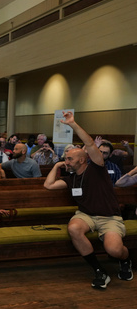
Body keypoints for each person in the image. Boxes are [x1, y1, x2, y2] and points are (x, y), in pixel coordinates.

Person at [44, 111, 133, 289]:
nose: (66, 161)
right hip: (86, 215)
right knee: (74, 228)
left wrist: (73, 124)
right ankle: (99, 271)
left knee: (114, 250)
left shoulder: (97, 169)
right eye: (66, 158)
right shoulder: (71, 179)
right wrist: (57, 165)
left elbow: (90, 144)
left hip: (109, 217)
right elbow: (48, 185)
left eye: (69, 159)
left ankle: (126, 260)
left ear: (83, 160)